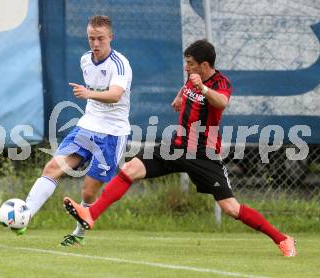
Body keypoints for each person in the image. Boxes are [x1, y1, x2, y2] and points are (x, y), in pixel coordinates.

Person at [62, 39, 296, 257]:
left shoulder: (220, 83)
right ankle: (90, 215)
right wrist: (179, 98)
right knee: (131, 168)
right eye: (186, 63)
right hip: (176, 146)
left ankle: (282, 238)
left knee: (230, 208)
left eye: (190, 64)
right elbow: (187, 86)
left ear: (204, 65)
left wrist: (202, 89)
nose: (186, 68)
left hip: (204, 155)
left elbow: (222, 102)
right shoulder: (192, 77)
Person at [0, 15, 133, 244]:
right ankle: (24, 218)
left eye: (100, 39)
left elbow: (116, 95)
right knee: (53, 167)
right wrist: (90, 96)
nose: (95, 44)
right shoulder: (86, 60)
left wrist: (89, 94)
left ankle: (79, 234)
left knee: (88, 191)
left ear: (110, 38)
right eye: (91, 38)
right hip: (87, 126)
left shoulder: (120, 63)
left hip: (112, 134)